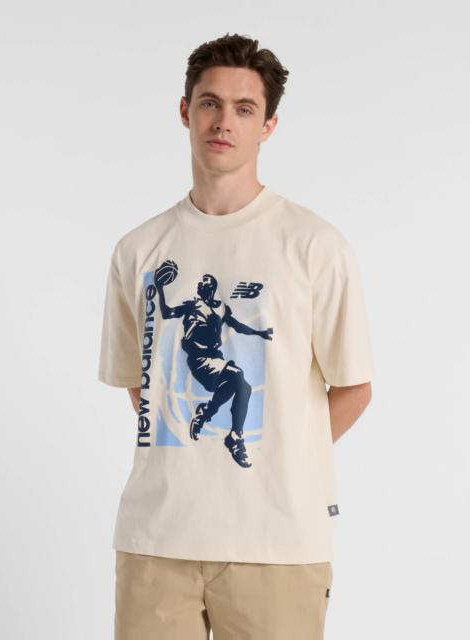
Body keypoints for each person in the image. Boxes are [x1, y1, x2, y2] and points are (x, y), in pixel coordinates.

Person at [98, 32, 374, 640]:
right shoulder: (139, 251)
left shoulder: (314, 246)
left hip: (277, 544)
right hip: (157, 540)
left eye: (244, 108)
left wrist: (285, 449)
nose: (224, 121)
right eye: (210, 103)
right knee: (233, 381)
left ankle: (217, 423)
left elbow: (355, 388)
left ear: (268, 125)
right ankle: (206, 420)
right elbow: (140, 383)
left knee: (242, 382)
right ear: (185, 111)